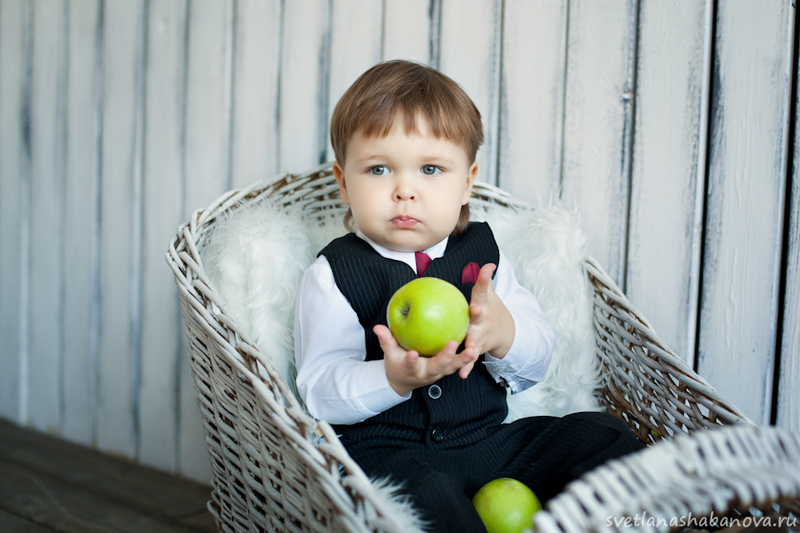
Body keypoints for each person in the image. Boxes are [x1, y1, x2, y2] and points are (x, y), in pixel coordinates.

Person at [294, 60, 641, 532]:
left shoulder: (484, 256)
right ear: (343, 183)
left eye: (430, 169)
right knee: (422, 503)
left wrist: (504, 334)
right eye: (378, 169)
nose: (405, 191)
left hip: (488, 442)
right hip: (393, 456)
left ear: (467, 182)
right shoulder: (333, 273)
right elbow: (319, 392)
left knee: (603, 436)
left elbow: (536, 363)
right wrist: (391, 378)